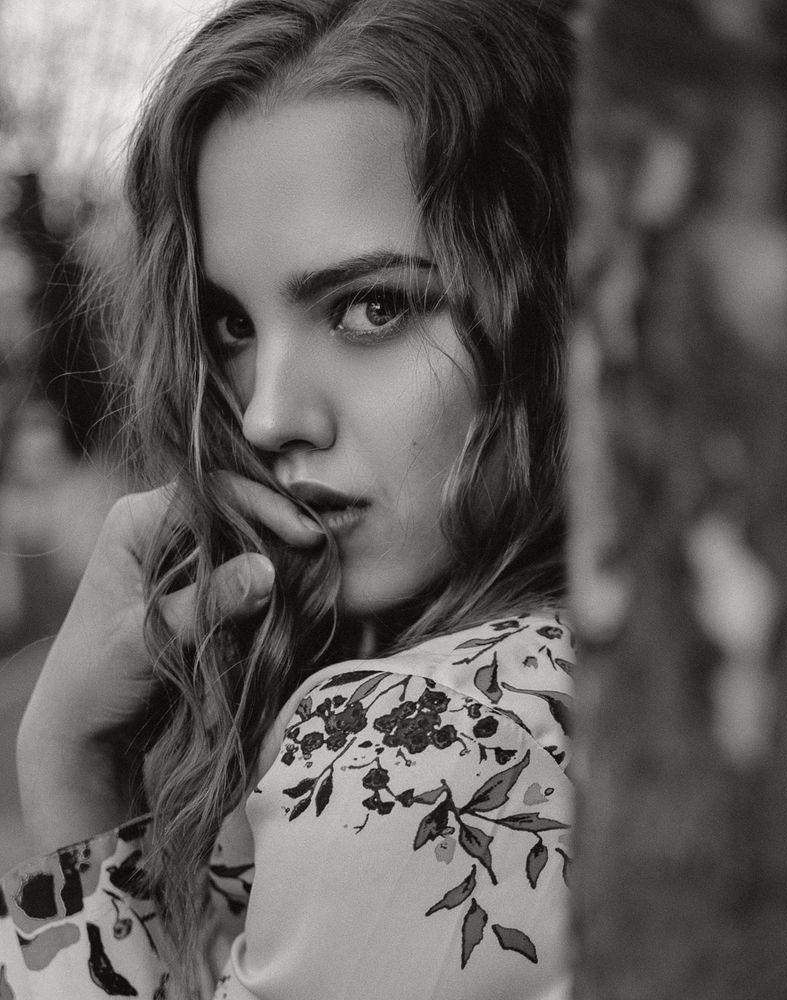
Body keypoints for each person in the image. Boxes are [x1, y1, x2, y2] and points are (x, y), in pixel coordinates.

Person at [0, 0, 574, 997]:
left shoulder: (423, 742)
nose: (266, 416)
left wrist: (67, 760)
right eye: (232, 325)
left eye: (373, 306)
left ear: (551, 308)